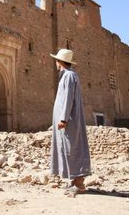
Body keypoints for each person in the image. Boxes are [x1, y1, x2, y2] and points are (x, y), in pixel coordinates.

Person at [49, 49, 91, 197]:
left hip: (69, 121)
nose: (55, 63)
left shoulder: (69, 76)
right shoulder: (67, 76)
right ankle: (73, 181)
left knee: (73, 148)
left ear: (59, 62)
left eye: (56, 60)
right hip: (68, 120)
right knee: (68, 148)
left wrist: (63, 118)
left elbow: (68, 99)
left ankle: (79, 184)